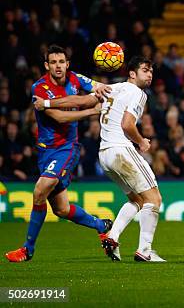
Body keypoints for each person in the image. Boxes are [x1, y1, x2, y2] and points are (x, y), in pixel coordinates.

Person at [5, 45, 113, 262]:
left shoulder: (75, 78)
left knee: (39, 190)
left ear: (67, 64)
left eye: (61, 62)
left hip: (66, 148)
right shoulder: (40, 88)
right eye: (53, 62)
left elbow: (96, 90)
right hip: (46, 152)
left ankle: (27, 249)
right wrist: (92, 109)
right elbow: (61, 117)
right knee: (62, 210)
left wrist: (99, 89)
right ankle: (102, 225)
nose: (58, 66)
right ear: (47, 66)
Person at [97, 56, 165, 262]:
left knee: (136, 200)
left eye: (151, 71)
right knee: (154, 200)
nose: (150, 74)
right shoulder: (137, 92)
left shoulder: (113, 88)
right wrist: (141, 142)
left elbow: (87, 101)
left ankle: (112, 236)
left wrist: (48, 103)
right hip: (121, 150)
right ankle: (145, 250)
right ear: (132, 74)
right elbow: (128, 124)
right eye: (146, 70)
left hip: (104, 153)